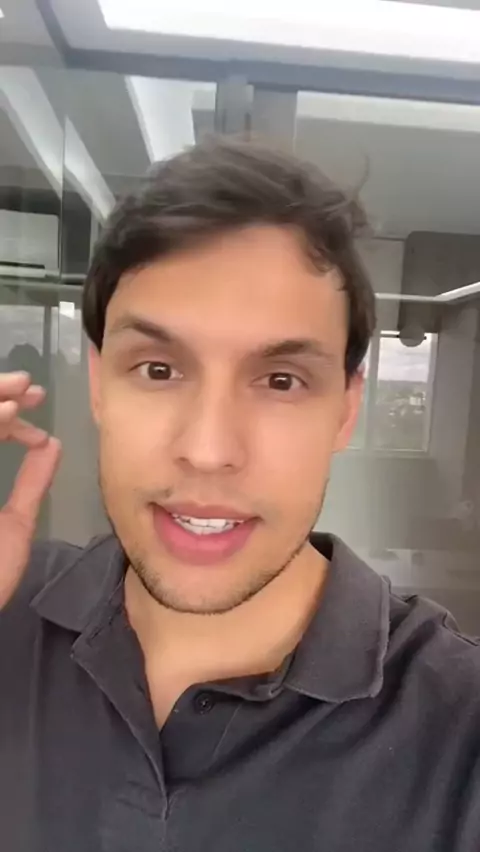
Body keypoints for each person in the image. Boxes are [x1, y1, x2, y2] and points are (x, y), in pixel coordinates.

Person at [1, 139, 480, 852]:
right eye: (158, 369)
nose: (209, 449)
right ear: (99, 384)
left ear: (345, 410)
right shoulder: (7, 602)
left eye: (281, 380)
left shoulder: (460, 730)